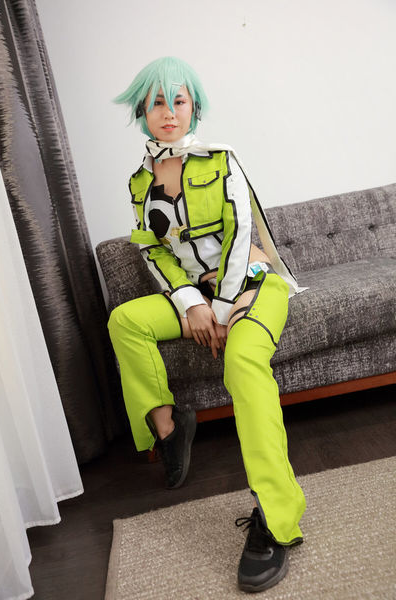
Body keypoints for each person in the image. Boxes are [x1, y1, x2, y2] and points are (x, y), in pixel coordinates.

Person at [109, 56, 307, 593]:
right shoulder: (139, 181)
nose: (168, 111)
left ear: (193, 107)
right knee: (125, 320)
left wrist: (219, 309)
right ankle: (171, 429)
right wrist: (190, 302)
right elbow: (153, 249)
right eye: (156, 102)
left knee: (241, 363)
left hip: (252, 285)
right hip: (197, 298)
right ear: (142, 111)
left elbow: (241, 235)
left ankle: (277, 517)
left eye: (178, 100)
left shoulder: (221, 160)